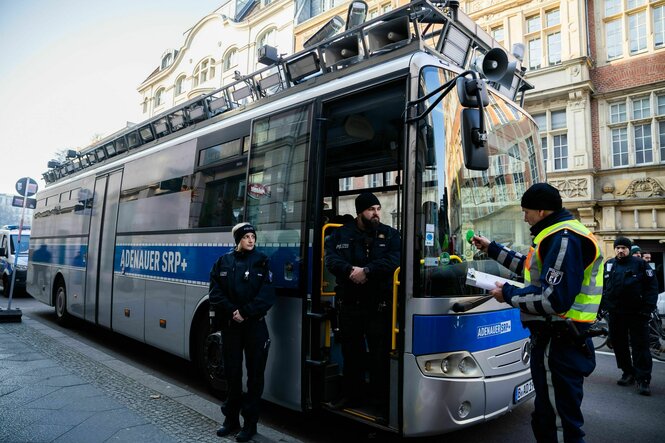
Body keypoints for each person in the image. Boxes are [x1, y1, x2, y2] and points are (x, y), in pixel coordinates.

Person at [471, 183, 603, 443]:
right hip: (557, 339)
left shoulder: (563, 238)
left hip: (560, 340)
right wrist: (492, 249)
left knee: (558, 424)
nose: (524, 217)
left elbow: (553, 299)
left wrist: (507, 294)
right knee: (545, 416)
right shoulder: (554, 233)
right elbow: (529, 265)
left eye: (526, 211)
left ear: (542, 211)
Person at [324, 192, 400, 416]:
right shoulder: (341, 235)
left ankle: (380, 401)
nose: (376, 213)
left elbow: (394, 258)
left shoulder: (391, 234)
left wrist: (367, 271)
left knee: (379, 355)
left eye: (378, 209)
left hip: (378, 304)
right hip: (351, 303)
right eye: (371, 210)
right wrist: (350, 271)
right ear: (360, 212)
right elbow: (331, 260)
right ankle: (351, 394)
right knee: (351, 352)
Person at [209, 222, 275, 442]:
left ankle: (250, 424)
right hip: (231, 326)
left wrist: (245, 312)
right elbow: (215, 293)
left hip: (255, 326)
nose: (251, 240)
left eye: (253, 236)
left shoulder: (262, 261)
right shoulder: (223, 262)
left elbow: (267, 295)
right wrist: (232, 312)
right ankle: (231, 420)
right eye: (246, 236)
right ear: (238, 239)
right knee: (232, 373)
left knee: (255, 376)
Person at [601, 236, 658, 396]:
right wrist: (602, 306)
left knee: (640, 346)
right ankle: (628, 372)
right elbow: (603, 287)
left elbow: (652, 288)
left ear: (628, 249)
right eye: (617, 247)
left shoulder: (640, 264)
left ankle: (643, 379)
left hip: (637, 314)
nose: (620, 250)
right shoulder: (610, 264)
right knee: (619, 345)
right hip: (616, 313)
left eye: (623, 248)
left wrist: (647, 309)